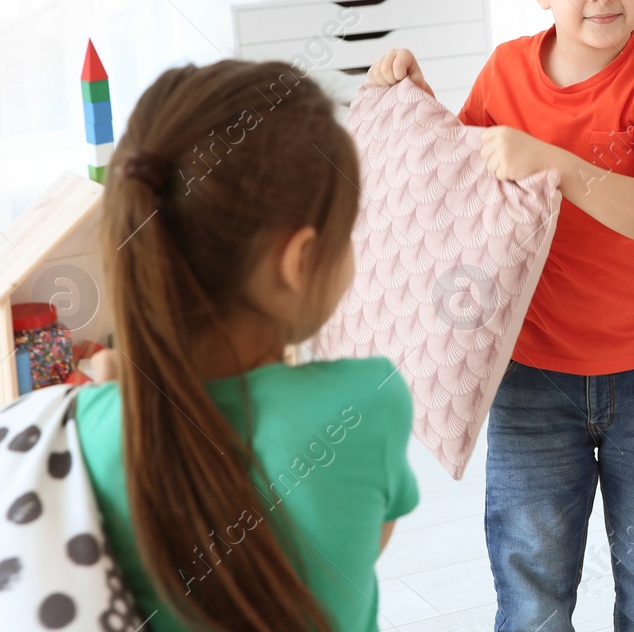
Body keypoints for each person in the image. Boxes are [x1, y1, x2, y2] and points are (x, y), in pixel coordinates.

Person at [367, 0, 634, 631]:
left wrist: (552, 162)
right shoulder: (506, 70)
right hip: (530, 376)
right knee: (531, 587)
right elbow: (461, 178)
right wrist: (416, 100)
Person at [78, 59, 420, 631]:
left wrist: (117, 392)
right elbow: (362, 546)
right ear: (301, 262)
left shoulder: (93, 428)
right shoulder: (368, 403)